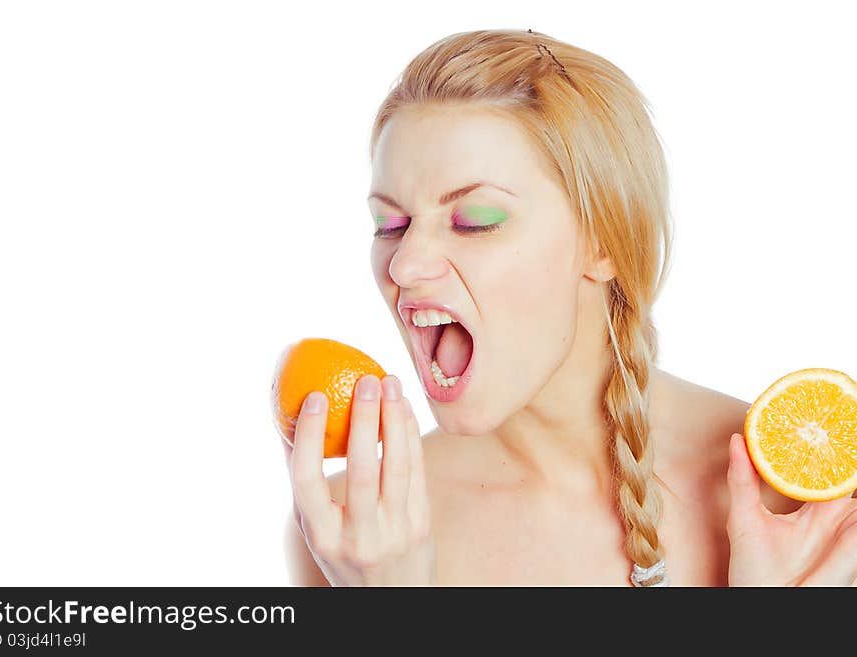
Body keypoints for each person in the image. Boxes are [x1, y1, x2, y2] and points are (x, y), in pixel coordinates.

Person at [279, 29, 857, 586]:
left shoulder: (808, 482)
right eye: (391, 224)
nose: (403, 266)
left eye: (473, 221)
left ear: (604, 239)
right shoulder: (353, 533)